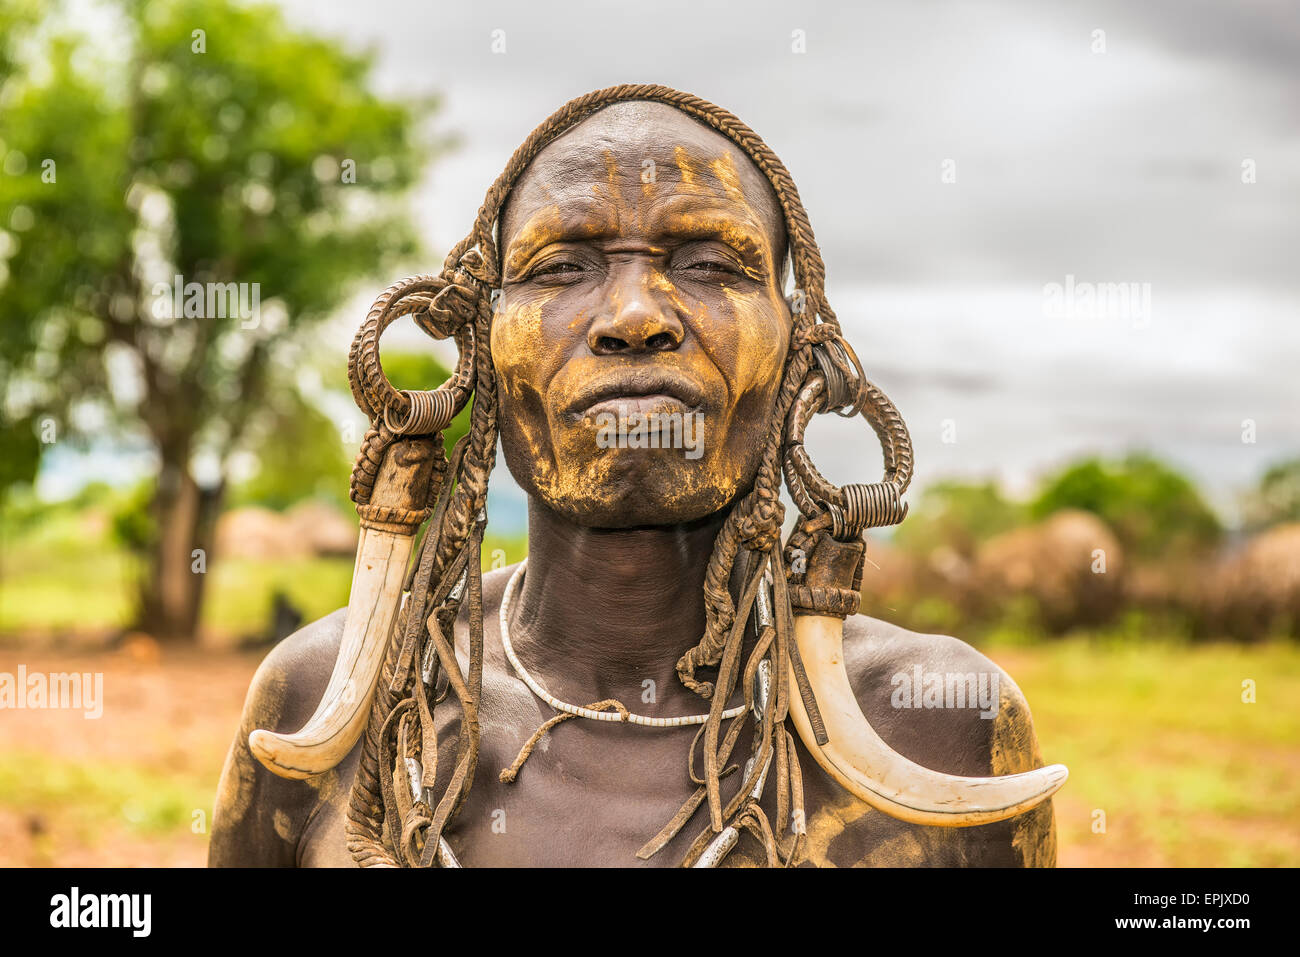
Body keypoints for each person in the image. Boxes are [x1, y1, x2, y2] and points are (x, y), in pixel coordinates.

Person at [209, 85, 1061, 868]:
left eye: (710, 263)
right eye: (561, 267)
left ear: (801, 347)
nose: (634, 316)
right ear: (478, 343)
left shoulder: (942, 726)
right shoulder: (323, 705)